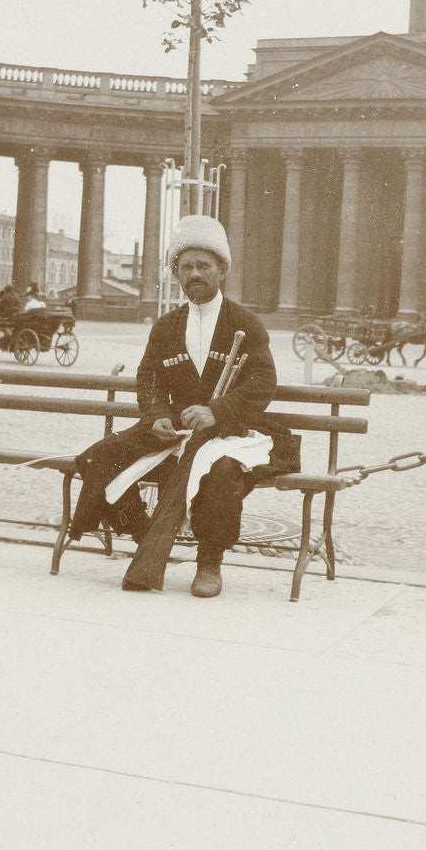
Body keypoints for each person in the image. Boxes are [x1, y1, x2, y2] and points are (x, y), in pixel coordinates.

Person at [68, 215, 300, 598]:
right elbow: (149, 380)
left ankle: (209, 562)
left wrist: (218, 411)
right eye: (186, 266)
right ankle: (143, 530)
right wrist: (157, 414)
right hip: (176, 428)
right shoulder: (166, 326)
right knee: (100, 456)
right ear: (177, 272)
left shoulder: (246, 322)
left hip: (233, 430)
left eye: (203, 266)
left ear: (221, 270)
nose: (194, 273)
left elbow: (263, 383)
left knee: (222, 470)